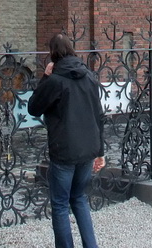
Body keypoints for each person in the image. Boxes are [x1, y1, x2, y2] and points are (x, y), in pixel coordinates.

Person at [28, 33, 105, 248]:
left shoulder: (55, 81)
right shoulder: (89, 76)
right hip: (88, 148)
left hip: (64, 150)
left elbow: (33, 107)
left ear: (52, 54)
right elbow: (99, 115)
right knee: (79, 198)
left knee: (61, 204)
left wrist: (45, 77)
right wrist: (101, 152)